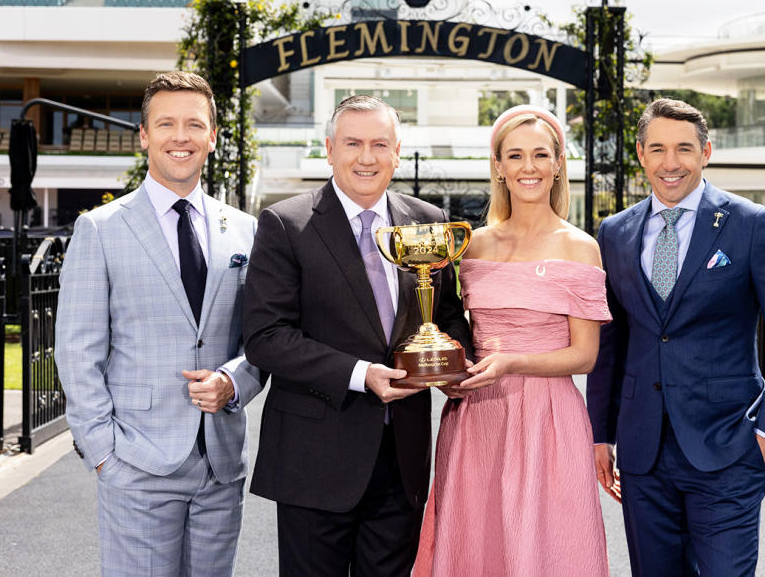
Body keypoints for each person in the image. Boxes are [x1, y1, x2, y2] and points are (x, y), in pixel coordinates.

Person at [587, 98, 765, 576]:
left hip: (729, 445)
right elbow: (611, 341)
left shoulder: (752, 225)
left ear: (706, 151)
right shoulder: (613, 233)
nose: (671, 163)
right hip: (642, 452)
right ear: (640, 154)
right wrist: (601, 435)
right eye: (658, 149)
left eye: (684, 149)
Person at [242, 95, 471, 576]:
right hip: (315, 460)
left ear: (397, 152)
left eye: (379, 144)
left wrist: (450, 362)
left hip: (401, 457)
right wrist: (361, 374)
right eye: (353, 143)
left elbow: (447, 314)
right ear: (329, 149)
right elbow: (266, 336)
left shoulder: (427, 222)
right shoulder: (286, 224)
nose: (366, 157)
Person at [55, 71, 263, 576]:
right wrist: (103, 453)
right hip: (134, 462)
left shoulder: (245, 229)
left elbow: (261, 338)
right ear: (144, 135)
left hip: (220, 465)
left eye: (194, 124)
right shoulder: (100, 228)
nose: (181, 137)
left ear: (212, 136)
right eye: (166, 124)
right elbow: (76, 351)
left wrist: (235, 381)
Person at [413, 105, 610, 576]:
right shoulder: (474, 245)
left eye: (540, 155)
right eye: (515, 156)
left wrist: (510, 363)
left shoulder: (580, 246)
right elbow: (458, 331)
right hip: (477, 416)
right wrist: (449, 375)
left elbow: (585, 356)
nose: (529, 167)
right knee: (478, 545)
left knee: (548, 547)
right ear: (498, 166)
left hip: (549, 420)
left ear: (558, 162)